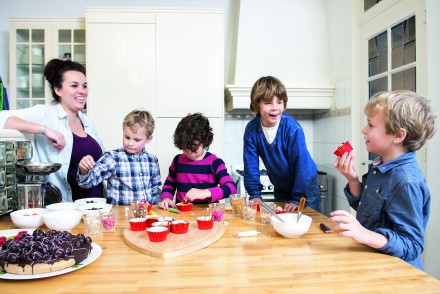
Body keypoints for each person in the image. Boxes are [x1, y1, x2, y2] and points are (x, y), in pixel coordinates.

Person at [330, 90, 437, 270]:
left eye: (371, 125)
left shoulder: (406, 181)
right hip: (374, 264)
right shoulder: (380, 167)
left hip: (396, 274)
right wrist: (353, 179)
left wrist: (363, 233)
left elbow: (412, 246)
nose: (364, 130)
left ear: (398, 135)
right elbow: (369, 209)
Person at [0, 59, 104, 202]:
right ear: (58, 89)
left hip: (99, 206)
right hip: (66, 210)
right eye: (74, 85)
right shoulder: (46, 114)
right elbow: (3, 118)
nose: (82, 91)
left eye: (84, 86)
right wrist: (44, 130)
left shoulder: (88, 122)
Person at [243, 76, 321, 212]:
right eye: (268, 103)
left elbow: (302, 165)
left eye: (279, 102)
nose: (275, 108)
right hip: (281, 186)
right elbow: (251, 165)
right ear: (256, 105)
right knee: (282, 223)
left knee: (310, 225)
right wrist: (255, 194)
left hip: (305, 187)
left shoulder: (292, 129)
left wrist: (297, 197)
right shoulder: (251, 130)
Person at [77, 110, 161, 205]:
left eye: (137, 140)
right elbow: (87, 183)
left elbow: (155, 190)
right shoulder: (113, 158)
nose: (130, 143)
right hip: (120, 216)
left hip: (145, 215)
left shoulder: (152, 161)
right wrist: (83, 170)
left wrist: (157, 206)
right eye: (127, 137)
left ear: (148, 139)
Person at [158, 113, 237, 209]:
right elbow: (169, 185)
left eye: (195, 149)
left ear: (204, 142)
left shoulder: (214, 162)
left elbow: (232, 188)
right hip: (182, 215)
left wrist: (207, 192)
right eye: (186, 150)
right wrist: (166, 198)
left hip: (208, 215)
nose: (190, 153)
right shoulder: (177, 161)